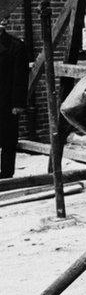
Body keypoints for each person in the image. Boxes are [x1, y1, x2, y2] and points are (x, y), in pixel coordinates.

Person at [0, 16, 28, 178]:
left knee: (8, 140)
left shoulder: (16, 46)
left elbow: (20, 79)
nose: (4, 20)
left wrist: (17, 104)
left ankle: (6, 175)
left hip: (6, 101)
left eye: (6, 17)